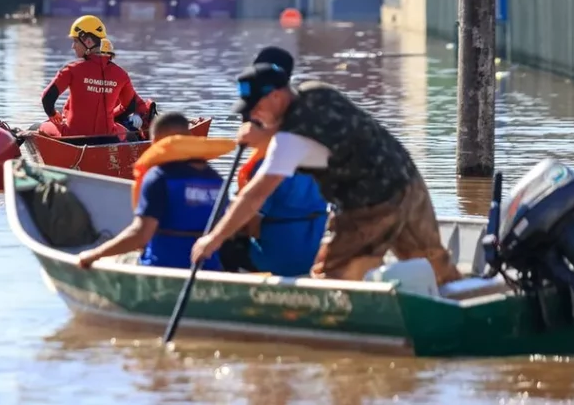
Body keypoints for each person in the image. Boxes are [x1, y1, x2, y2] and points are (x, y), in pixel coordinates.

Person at [190, 46, 463, 287]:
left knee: (330, 276)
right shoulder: (317, 90)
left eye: (255, 107)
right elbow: (321, 134)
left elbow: (254, 196)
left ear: (276, 96)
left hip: (372, 203)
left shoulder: (288, 142)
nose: (252, 116)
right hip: (407, 181)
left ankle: (339, 328)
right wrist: (267, 136)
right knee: (433, 262)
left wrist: (212, 239)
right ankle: (464, 301)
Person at [216, 49, 330, 277]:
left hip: (281, 258)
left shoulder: (268, 165)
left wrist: (217, 234)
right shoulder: (315, 150)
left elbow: (253, 224)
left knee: (221, 245)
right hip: (318, 251)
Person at [78, 111, 226, 271]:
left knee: (110, 260)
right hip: (208, 268)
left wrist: (94, 254)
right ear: (190, 137)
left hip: (161, 266)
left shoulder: (159, 177)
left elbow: (140, 236)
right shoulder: (216, 179)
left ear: (155, 142)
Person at [41, 15, 136, 143]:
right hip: (109, 139)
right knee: (127, 132)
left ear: (88, 42)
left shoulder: (71, 69)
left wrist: (53, 115)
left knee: (41, 127)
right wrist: (109, 117)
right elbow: (130, 106)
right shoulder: (121, 74)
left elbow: (47, 98)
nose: (73, 46)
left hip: (73, 138)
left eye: (75, 41)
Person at [100, 38, 156, 138]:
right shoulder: (83, 79)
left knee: (132, 133)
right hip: (94, 129)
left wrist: (137, 114)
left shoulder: (118, 78)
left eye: (107, 58)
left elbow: (138, 103)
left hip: (115, 126)